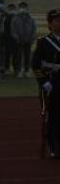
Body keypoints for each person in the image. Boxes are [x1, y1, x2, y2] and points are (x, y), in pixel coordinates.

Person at [32, 9, 60, 158]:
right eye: (57, 20)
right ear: (50, 24)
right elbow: (35, 65)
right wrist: (43, 82)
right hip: (51, 83)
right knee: (53, 115)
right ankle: (53, 146)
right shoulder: (43, 42)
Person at [10, 2, 37, 78]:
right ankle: (19, 71)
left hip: (28, 40)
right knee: (18, 57)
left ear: (27, 8)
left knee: (27, 56)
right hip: (19, 41)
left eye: (24, 7)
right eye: (21, 7)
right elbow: (13, 30)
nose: (23, 9)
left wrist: (32, 38)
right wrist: (17, 38)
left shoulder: (31, 19)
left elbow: (34, 29)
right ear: (19, 8)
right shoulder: (15, 18)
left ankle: (26, 71)